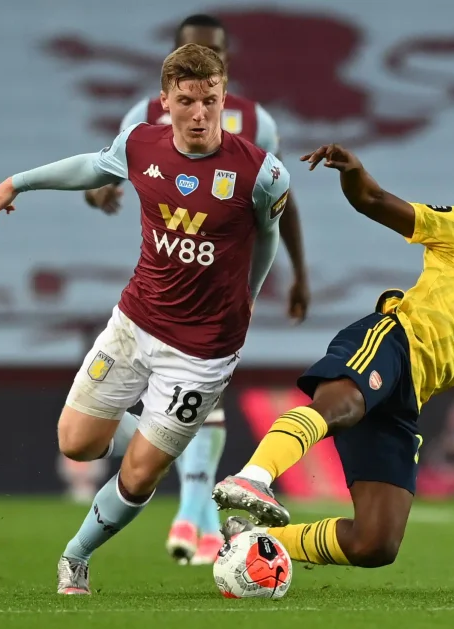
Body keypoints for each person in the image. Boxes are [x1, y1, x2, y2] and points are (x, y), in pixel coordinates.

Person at [0, 43, 291, 594]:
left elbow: (268, 238)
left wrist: (250, 294)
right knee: (76, 443)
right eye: (187, 101)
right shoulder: (139, 144)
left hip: (204, 351)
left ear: (225, 99)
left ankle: (76, 556)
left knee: (142, 472)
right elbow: (90, 167)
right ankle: (157, 430)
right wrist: (17, 182)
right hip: (135, 323)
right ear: (165, 101)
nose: (200, 113)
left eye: (210, 101)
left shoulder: (262, 173)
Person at [212, 143, 454, 568]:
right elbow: (373, 201)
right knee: (343, 405)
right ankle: (253, 477)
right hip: (393, 341)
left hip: (411, 397)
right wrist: (353, 172)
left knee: (375, 544)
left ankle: (251, 539)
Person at [66, 13, 310, 566]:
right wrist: (99, 194)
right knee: (131, 429)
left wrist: (297, 274)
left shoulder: (256, 121)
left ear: (226, 62)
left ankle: (194, 517)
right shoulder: (143, 117)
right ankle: (191, 505)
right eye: (193, 49)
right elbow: (105, 172)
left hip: (219, 294)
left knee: (202, 397)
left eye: (214, 50)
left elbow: (276, 201)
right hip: (161, 280)